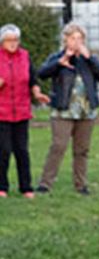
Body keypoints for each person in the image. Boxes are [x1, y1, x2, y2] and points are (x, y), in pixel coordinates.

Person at [35, 22, 99, 196]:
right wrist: (60, 62)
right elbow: (42, 73)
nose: (76, 42)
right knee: (58, 146)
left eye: (80, 38)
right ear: (65, 40)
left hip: (85, 110)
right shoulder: (58, 57)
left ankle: (80, 184)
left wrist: (89, 58)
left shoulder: (89, 59)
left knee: (82, 149)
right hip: (63, 110)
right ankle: (45, 183)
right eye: (73, 38)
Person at [0, 24, 49, 198]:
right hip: (2, 112)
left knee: (22, 150)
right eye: (9, 40)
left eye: (15, 40)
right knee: (4, 150)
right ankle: (2, 187)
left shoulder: (25, 57)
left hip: (21, 110)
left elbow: (32, 79)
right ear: (2, 42)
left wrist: (37, 93)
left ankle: (26, 187)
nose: (13, 43)